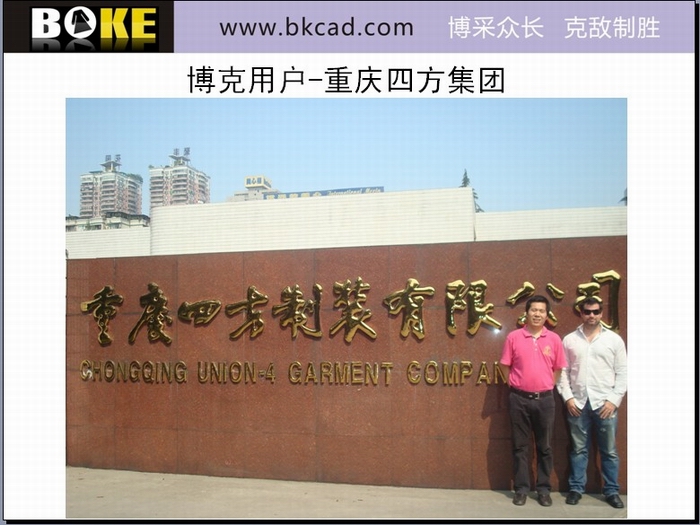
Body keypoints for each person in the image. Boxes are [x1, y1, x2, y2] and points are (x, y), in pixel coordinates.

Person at [557, 297, 628, 509]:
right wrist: (568, 397)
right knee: (578, 449)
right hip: (578, 403)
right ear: (581, 313)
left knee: (609, 451)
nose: (592, 315)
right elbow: (562, 372)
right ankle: (576, 488)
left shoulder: (614, 340)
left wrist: (614, 400)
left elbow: (623, 373)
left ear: (601, 313)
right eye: (587, 312)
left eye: (596, 311)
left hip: (605, 404)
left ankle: (612, 491)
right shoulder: (569, 340)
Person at [500, 295, 567, 507]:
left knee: (545, 447)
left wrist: (546, 384)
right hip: (519, 399)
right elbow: (504, 365)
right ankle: (521, 489)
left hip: (545, 400)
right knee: (520, 447)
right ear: (526, 313)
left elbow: (558, 368)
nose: (537, 314)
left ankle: (543, 490)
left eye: (541, 311)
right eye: (534, 310)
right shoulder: (514, 337)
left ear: (547, 315)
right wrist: (514, 384)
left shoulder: (554, 339)